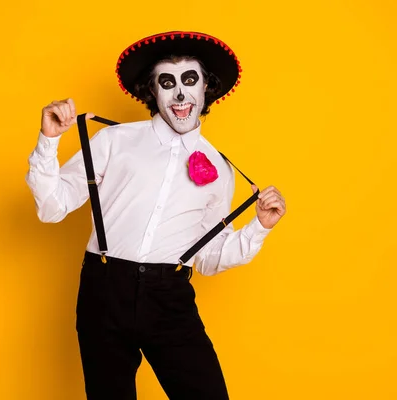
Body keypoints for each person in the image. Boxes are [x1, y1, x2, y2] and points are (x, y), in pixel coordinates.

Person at [26, 31, 286, 400]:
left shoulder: (221, 169)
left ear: (206, 89)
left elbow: (208, 258)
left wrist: (259, 226)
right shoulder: (113, 141)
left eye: (189, 80)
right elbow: (52, 207)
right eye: (167, 82)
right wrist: (48, 140)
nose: (180, 93)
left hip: (170, 297)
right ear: (153, 91)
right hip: (104, 290)